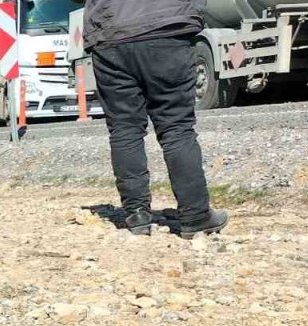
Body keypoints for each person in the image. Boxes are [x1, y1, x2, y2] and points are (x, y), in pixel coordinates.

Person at [84, 0, 229, 238]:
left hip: (110, 36)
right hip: (167, 29)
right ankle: (195, 215)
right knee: (176, 127)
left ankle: (137, 214)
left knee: (124, 128)